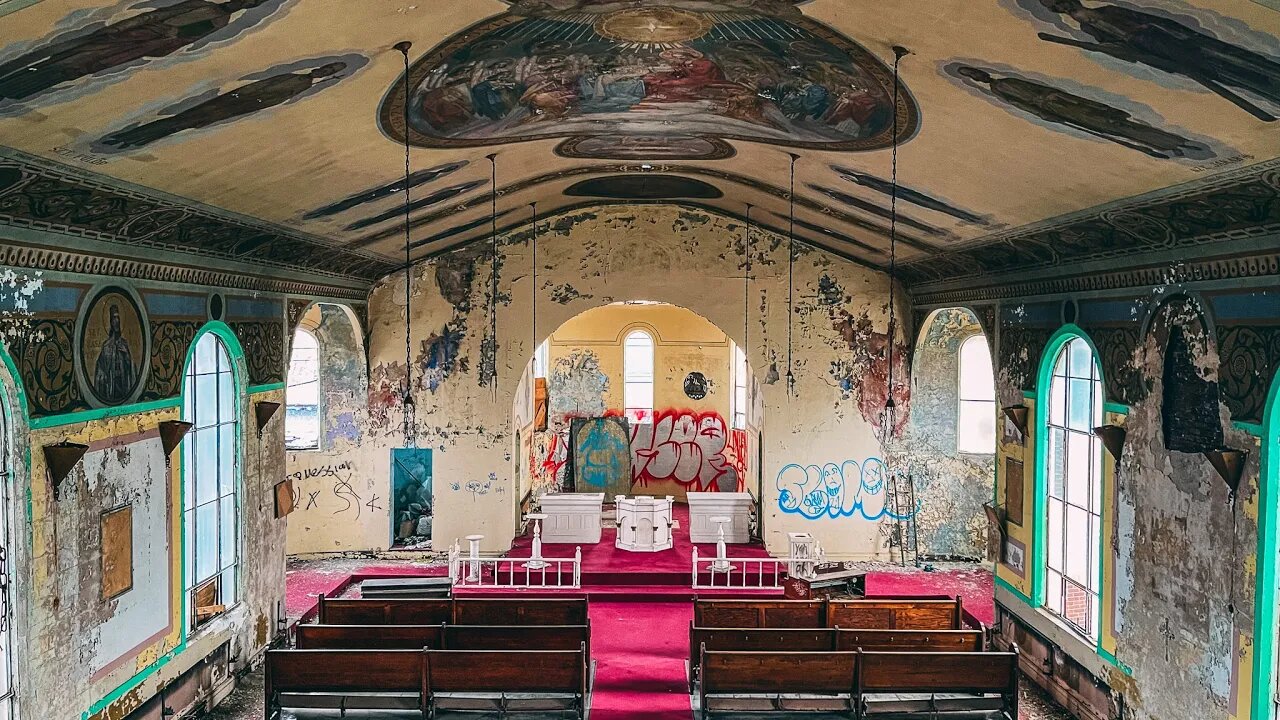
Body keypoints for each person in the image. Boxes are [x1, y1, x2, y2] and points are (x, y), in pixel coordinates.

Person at [1037, 0, 1280, 122]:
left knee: (1227, 59)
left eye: (1065, 4)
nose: (1067, 10)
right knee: (1218, 73)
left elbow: (1151, 20)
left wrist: (1178, 37)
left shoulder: (1109, 10)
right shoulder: (1088, 28)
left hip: (1165, 39)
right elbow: (1119, 50)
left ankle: (1269, 77)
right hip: (1155, 50)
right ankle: (1268, 90)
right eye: (1060, 8)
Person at [0, 0, 273, 101]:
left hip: (148, 45)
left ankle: (18, 90)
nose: (243, 4)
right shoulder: (203, 5)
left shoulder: (221, 21)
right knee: (73, 56)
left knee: (82, 68)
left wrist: (166, 46)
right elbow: (156, 16)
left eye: (250, 4)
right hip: (136, 34)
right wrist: (121, 28)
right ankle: (11, 81)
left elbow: (188, 39)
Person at [957, 65, 1208, 159]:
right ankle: (1167, 145)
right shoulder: (999, 90)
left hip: (1066, 103)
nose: (978, 75)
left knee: (1118, 123)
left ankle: (1176, 141)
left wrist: (1061, 98)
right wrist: (1048, 114)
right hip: (1060, 110)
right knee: (1116, 129)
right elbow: (1024, 105)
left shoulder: (1007, 79)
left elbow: (1039, 88)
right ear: (976, 81)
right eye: (973, 76)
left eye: (974, 72)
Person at [100, 63, 345, 149]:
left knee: (182, 125)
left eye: (331, 71)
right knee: (180, 121)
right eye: (329, 67)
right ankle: (131, 136)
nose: (326, 71)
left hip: (237, 107)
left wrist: (247, 105)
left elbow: (273, 100)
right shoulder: (294, 78)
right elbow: (257, 89)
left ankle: (136, 140)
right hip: (233, 102)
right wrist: (239, 99)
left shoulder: (303, 86)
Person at [93, 304, 136, 405]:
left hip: (123, 383)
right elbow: (100, 367)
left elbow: (131, 366)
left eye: (118, 319)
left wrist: (126, 355)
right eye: (113, 319)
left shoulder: (124, 343)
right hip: (111, 384)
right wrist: (102, 374)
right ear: (111, 323)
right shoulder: (106, 345)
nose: (116, 322)